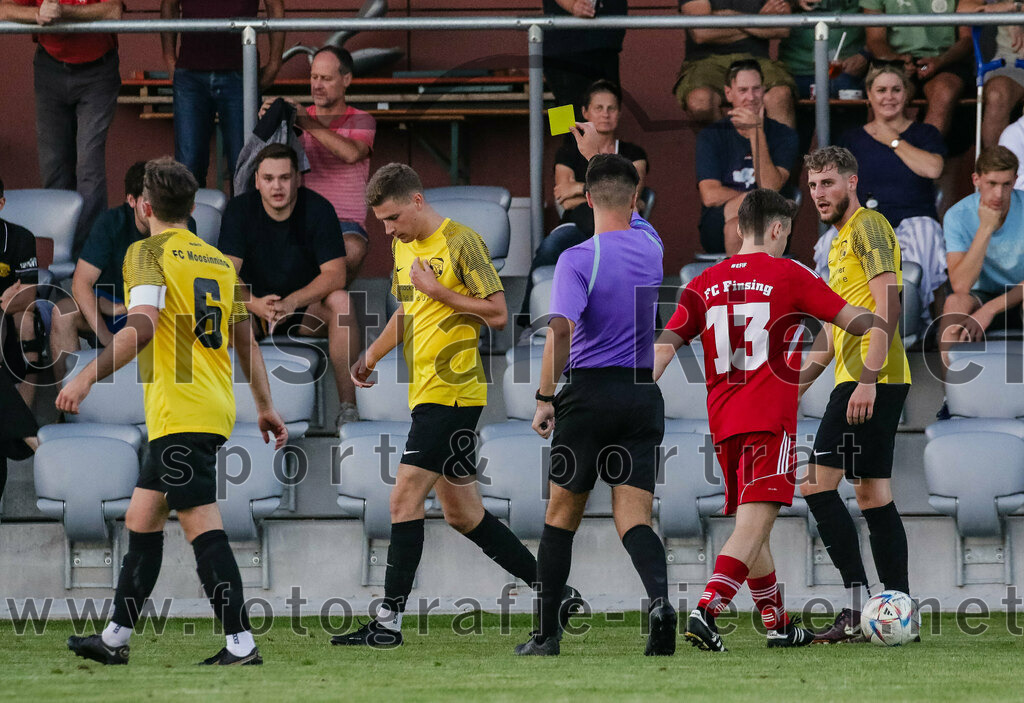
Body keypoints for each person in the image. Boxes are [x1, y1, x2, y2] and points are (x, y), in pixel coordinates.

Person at [333, 163, 580, 649]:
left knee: (403, 498)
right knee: (463, 514)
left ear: (418, 201)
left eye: (394, 218)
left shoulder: (462, 242)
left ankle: (388, 622)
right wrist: (368, 356)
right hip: (426, 392)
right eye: (381, 221)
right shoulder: (403, 248)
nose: (388, 230)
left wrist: (440, 292)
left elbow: (498, 313)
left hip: (454, 391)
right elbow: (408, 311)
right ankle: (555, 592)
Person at [60, 157, 288, 666]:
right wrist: (267, 407)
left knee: (200, 524)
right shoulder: (215, 260)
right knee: (143, 517)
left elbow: (141, 326)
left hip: (181, 411)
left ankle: (241, 643)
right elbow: (246, 340)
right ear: (192, 208)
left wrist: (85, 374)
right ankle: (115, 638)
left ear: (144, 207)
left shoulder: (146, 253)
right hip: (205, 405)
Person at [656, 188, 879, 652]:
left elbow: (663, 348)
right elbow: (849, 320)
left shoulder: (701, 282)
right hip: (768, 419)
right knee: (755, 525)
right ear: (778, 229)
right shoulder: (789, 273)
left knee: (750, 522)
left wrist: (630, 389)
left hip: (723, 421)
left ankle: (778, 624)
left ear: (739, 228)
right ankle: (706, 611)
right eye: (786, 232)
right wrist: (881, 315)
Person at [514, 155, 674, 657]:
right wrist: (599, 164)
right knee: (635, 518)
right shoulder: (652, 247)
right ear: (635, 198)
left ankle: (546, 637)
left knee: (561, 516)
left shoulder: (578, 258)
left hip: (588, 394)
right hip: (641, 394)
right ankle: (661, 604)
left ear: (585, 200)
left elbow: (559, 331)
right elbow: (625, 200)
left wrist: (544, 396)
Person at [799, 146, 913, 643]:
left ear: (851, 181)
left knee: (816, 485)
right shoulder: (837, 241)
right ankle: (898, 611)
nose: (819, 193)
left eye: (828, 183)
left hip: (872, 378)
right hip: (869, 378)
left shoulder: (868, 227)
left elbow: (889, 303)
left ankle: (855, 606)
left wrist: (866, 378)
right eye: (813, 185)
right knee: (871, 494)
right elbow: (832, 328)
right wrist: (793, 384)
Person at [219, 144, 361, 430]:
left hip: (305, 310)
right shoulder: (239, 210)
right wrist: (255, 303)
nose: (277, 186)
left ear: (298, 178)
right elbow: (224, 276)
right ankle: (219, 409)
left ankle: (349, 407)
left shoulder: (319, 209)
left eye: (284, 177)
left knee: (341, 301)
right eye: (269, 178)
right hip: (255, 312)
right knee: (215, 305)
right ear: (257, 180)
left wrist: (293, 301)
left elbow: (335, 275)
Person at [814, 64, 948, 322]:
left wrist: (894, 141)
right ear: (869, 95)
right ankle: (839, 323)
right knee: (828, 246)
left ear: (906, 94)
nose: (889, 97)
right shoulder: (851, 139)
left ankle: (915, 321)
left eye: (896, 90)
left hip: (913, 219)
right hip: (864, 219)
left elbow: (933, 169)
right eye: (881, 90)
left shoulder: (923, 133)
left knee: (925, 238)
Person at [49, 162, 195, 386]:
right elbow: (81, 282)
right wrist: (106, 336)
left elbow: (181, 287)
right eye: (148, 201)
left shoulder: (180, 222)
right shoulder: (111, 223)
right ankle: (68, 405)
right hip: (112, 311)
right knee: (63, 312)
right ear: (131, 201)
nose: (155, 208)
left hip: (156, 311)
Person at [0, 0, 124, 258]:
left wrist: (65, 12)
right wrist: (37, 14)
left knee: (89, 167)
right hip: (50, 67)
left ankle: (89, 257)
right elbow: (3, 8)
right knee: (54, 165)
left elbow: (113, 10)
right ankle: (58, 254)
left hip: (98, 70)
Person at [519, 80, 647, 324]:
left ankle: (650, 326)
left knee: (634, 258)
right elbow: (564, 199)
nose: (605, 114)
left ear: (619, 114)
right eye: (598, 108)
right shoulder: (568, 151)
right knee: (549, 247)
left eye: (611, 108)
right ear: (585, 113)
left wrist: (580, 189)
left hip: (620, 227)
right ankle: (529, 321)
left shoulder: (633, 153)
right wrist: (611, 191)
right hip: (576, 226)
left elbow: (632, 196)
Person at [161, 0, 285, 187]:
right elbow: (168, 5)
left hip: (240, 71)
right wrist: (169, 58)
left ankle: (242, 217)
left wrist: (275, 62)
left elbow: (275, 5)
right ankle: (191, 217)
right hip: (191, 74)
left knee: (244, 164)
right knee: (188, 165)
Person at [938, 147, 1024, 400]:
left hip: (1018, 293)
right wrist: (985, 227)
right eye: (992, 183)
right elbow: (961, 285)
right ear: (977, 180)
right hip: (980, 293)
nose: (999, 193)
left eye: (1006, 184)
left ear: (1015, 181)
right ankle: (953, 400)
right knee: (954, 304)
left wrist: (989, 310)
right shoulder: (958, 215)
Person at [695, 59, 798, 255]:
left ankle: (745, 284)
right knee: (742, 225)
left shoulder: (784, 135)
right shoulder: (711, 135)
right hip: (717, 224)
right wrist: (754, 199)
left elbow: (770, 186)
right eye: (743, 90)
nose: (751, 97)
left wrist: (756, 133)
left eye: (756, 89)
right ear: (728, 93)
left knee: (741, 229)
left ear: (764, 90)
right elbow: (710, 195)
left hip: (770, 228)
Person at [291, 45, 375, 280]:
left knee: (351, 250)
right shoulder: (297, 117)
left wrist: (306, 123)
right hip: (301, 221)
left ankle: (316, 305)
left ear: (346, 79)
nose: (317, 85)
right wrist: (271, 118)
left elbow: (351, 153)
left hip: (346, 225)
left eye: (326, 78)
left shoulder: (362, 119)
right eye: (313, 77)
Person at [674, 0, 797, 128]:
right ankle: (729, 145)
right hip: (706, 61)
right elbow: (702, 32)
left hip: (756, 59)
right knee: (700, 103)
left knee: (780, 96)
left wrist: (729, 17)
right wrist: (758, 20)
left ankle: (779, 148)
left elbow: (782, 28)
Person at [861, 0, 971, 137]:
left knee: (944, 91)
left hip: (945, 59)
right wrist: (897, 60)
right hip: (897, 59)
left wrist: (940, 61)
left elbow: (967, 39)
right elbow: (875, 40)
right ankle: (885, 154)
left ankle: (925, 153)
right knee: (888, 94)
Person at [542, 0, 628, 115]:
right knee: (567, 115)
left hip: (605, 46)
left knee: (607, 114)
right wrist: (572, 5)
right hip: (565, 51)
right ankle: (563, 133)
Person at [958, 0, 1024, 148]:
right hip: (1012, 61)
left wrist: (1017, 12)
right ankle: (998, 168)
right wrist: (1010, 8)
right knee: (997, 93)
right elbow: (963, 9)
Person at [0, 176, 42, 407]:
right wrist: (4, 298)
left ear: (1, 204)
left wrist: (7, 303)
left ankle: (26, 417)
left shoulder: (20, 237)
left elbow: (28, 297)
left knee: (26, 320)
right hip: (4, 303)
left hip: (14, 311)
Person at [781, 0, 870, 99]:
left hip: (848, 71)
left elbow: (881, 15)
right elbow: (769, 13)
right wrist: (794, 2)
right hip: (797, 71)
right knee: (781, 96)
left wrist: (865, 55)